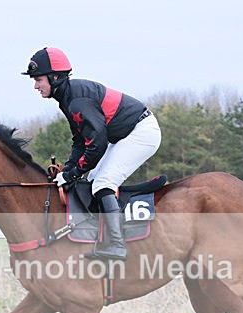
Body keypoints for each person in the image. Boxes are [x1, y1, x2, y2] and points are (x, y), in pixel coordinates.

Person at [22, 47, 161, 261]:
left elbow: (96, 144)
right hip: (124, 134)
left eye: (38, 79)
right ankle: (103, 236)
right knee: (93, 178)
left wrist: (72, 174)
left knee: (102, 182)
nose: (35, 86)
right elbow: (80, 141)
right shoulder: (67, 98)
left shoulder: (77, 101)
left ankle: (117, 244)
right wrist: (68, 170)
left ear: (55, 77)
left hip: (141, 132)